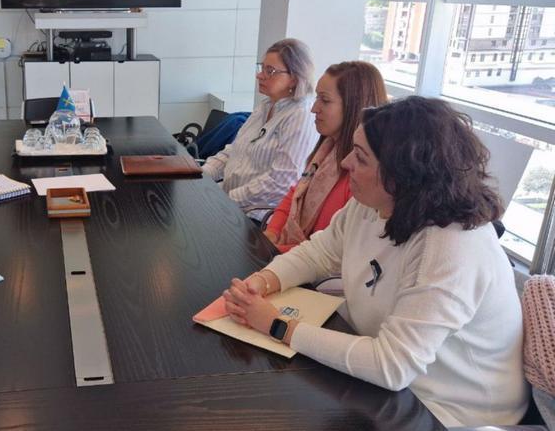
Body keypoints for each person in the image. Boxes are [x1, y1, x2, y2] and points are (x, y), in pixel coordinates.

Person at [222, 97, 528, 427]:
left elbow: (391, 365)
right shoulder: (372, 203)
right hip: (390, 385)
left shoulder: (452, 247)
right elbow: (319, 252)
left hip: (450, 412)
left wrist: (277, 324)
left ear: (403, 175)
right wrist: (264, 281)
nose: (346, 163)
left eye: (362, 158)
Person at [264, 61, 387, 253]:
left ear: (354, 106)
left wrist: (276, 251)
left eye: (325, 100)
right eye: (316, 98)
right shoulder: (327, 149)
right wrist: (272, 232)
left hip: (314, 273)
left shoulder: (363, 175)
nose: (314, 108)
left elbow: (332, 252)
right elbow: (294, 194)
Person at [202, 38, 318, 220]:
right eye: (262, 68)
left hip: (258, 217)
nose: (260, 75)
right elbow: (233, 151)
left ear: (294, 78)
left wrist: (225, 199)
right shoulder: (265, 106)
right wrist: (201, 174)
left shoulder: (301, 115)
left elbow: (281, 182)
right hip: (231, 203)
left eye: (270, 71)